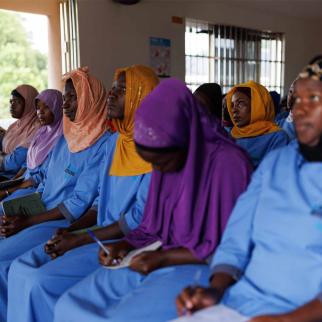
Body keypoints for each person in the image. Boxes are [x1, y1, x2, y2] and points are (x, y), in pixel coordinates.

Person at [53, 78, 252, 322]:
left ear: (185, 140)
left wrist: (164, 257)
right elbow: (152, 226)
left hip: (200, 267)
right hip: (155, 254)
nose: (158, 171)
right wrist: (125, 245)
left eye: (161, 162)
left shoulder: (228, 165)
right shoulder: (166, 158)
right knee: (70, 306)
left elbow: (232, 247)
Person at [5, 65, 159, 322]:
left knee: (40, 282)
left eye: (121, 90)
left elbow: (133, 219)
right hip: (95, 230)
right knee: (21, 271)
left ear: (140, 96)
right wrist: (72, 233)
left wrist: (77, 235)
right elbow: (99, 201)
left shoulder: (153, 149)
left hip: (125, 239)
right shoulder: (115, 142)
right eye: (112, 89)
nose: (111, 95)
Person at [176, 58, 322, 322]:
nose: (299, 110)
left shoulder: (275, 142)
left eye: (312, 99)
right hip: (242, 302)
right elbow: (237, 235)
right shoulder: (278, 162)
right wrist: (216, 289)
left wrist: (285, 319)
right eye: (297, 100)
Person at [0, 67, 110, 321]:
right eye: (66, 97)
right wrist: (21, 207)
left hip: (60, 218)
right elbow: (44, 180)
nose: (66, 104)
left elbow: (76, 204)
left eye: (72, 97)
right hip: (42, 208)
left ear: (88, 100)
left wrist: (27, 220)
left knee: (9, 265)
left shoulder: (103, 144)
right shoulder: (66, 136)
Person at [0, 89, 63, 200]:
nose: (40, 112)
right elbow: (28, 162)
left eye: (47, 107)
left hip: (37, 187)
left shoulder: (61, 138)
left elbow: (39, 175)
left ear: (57, 107)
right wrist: (14, 180)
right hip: (24, 180)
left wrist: (9, 190)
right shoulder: (41, 132)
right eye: (38, 108)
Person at [226, 80, 288, 167]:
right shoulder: (229, 135)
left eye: (240, 103)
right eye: (232, 105)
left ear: (258, 106)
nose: (233, 110)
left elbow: (273, 173)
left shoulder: (276, 137)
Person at [0, 85, 40, 179]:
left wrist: (4, 158)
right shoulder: (14, 126)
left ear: (30, 103)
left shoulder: (37, 128)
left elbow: (14, 163)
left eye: (18, 102)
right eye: (11, 101)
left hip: (14, 179)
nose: (12, 105)